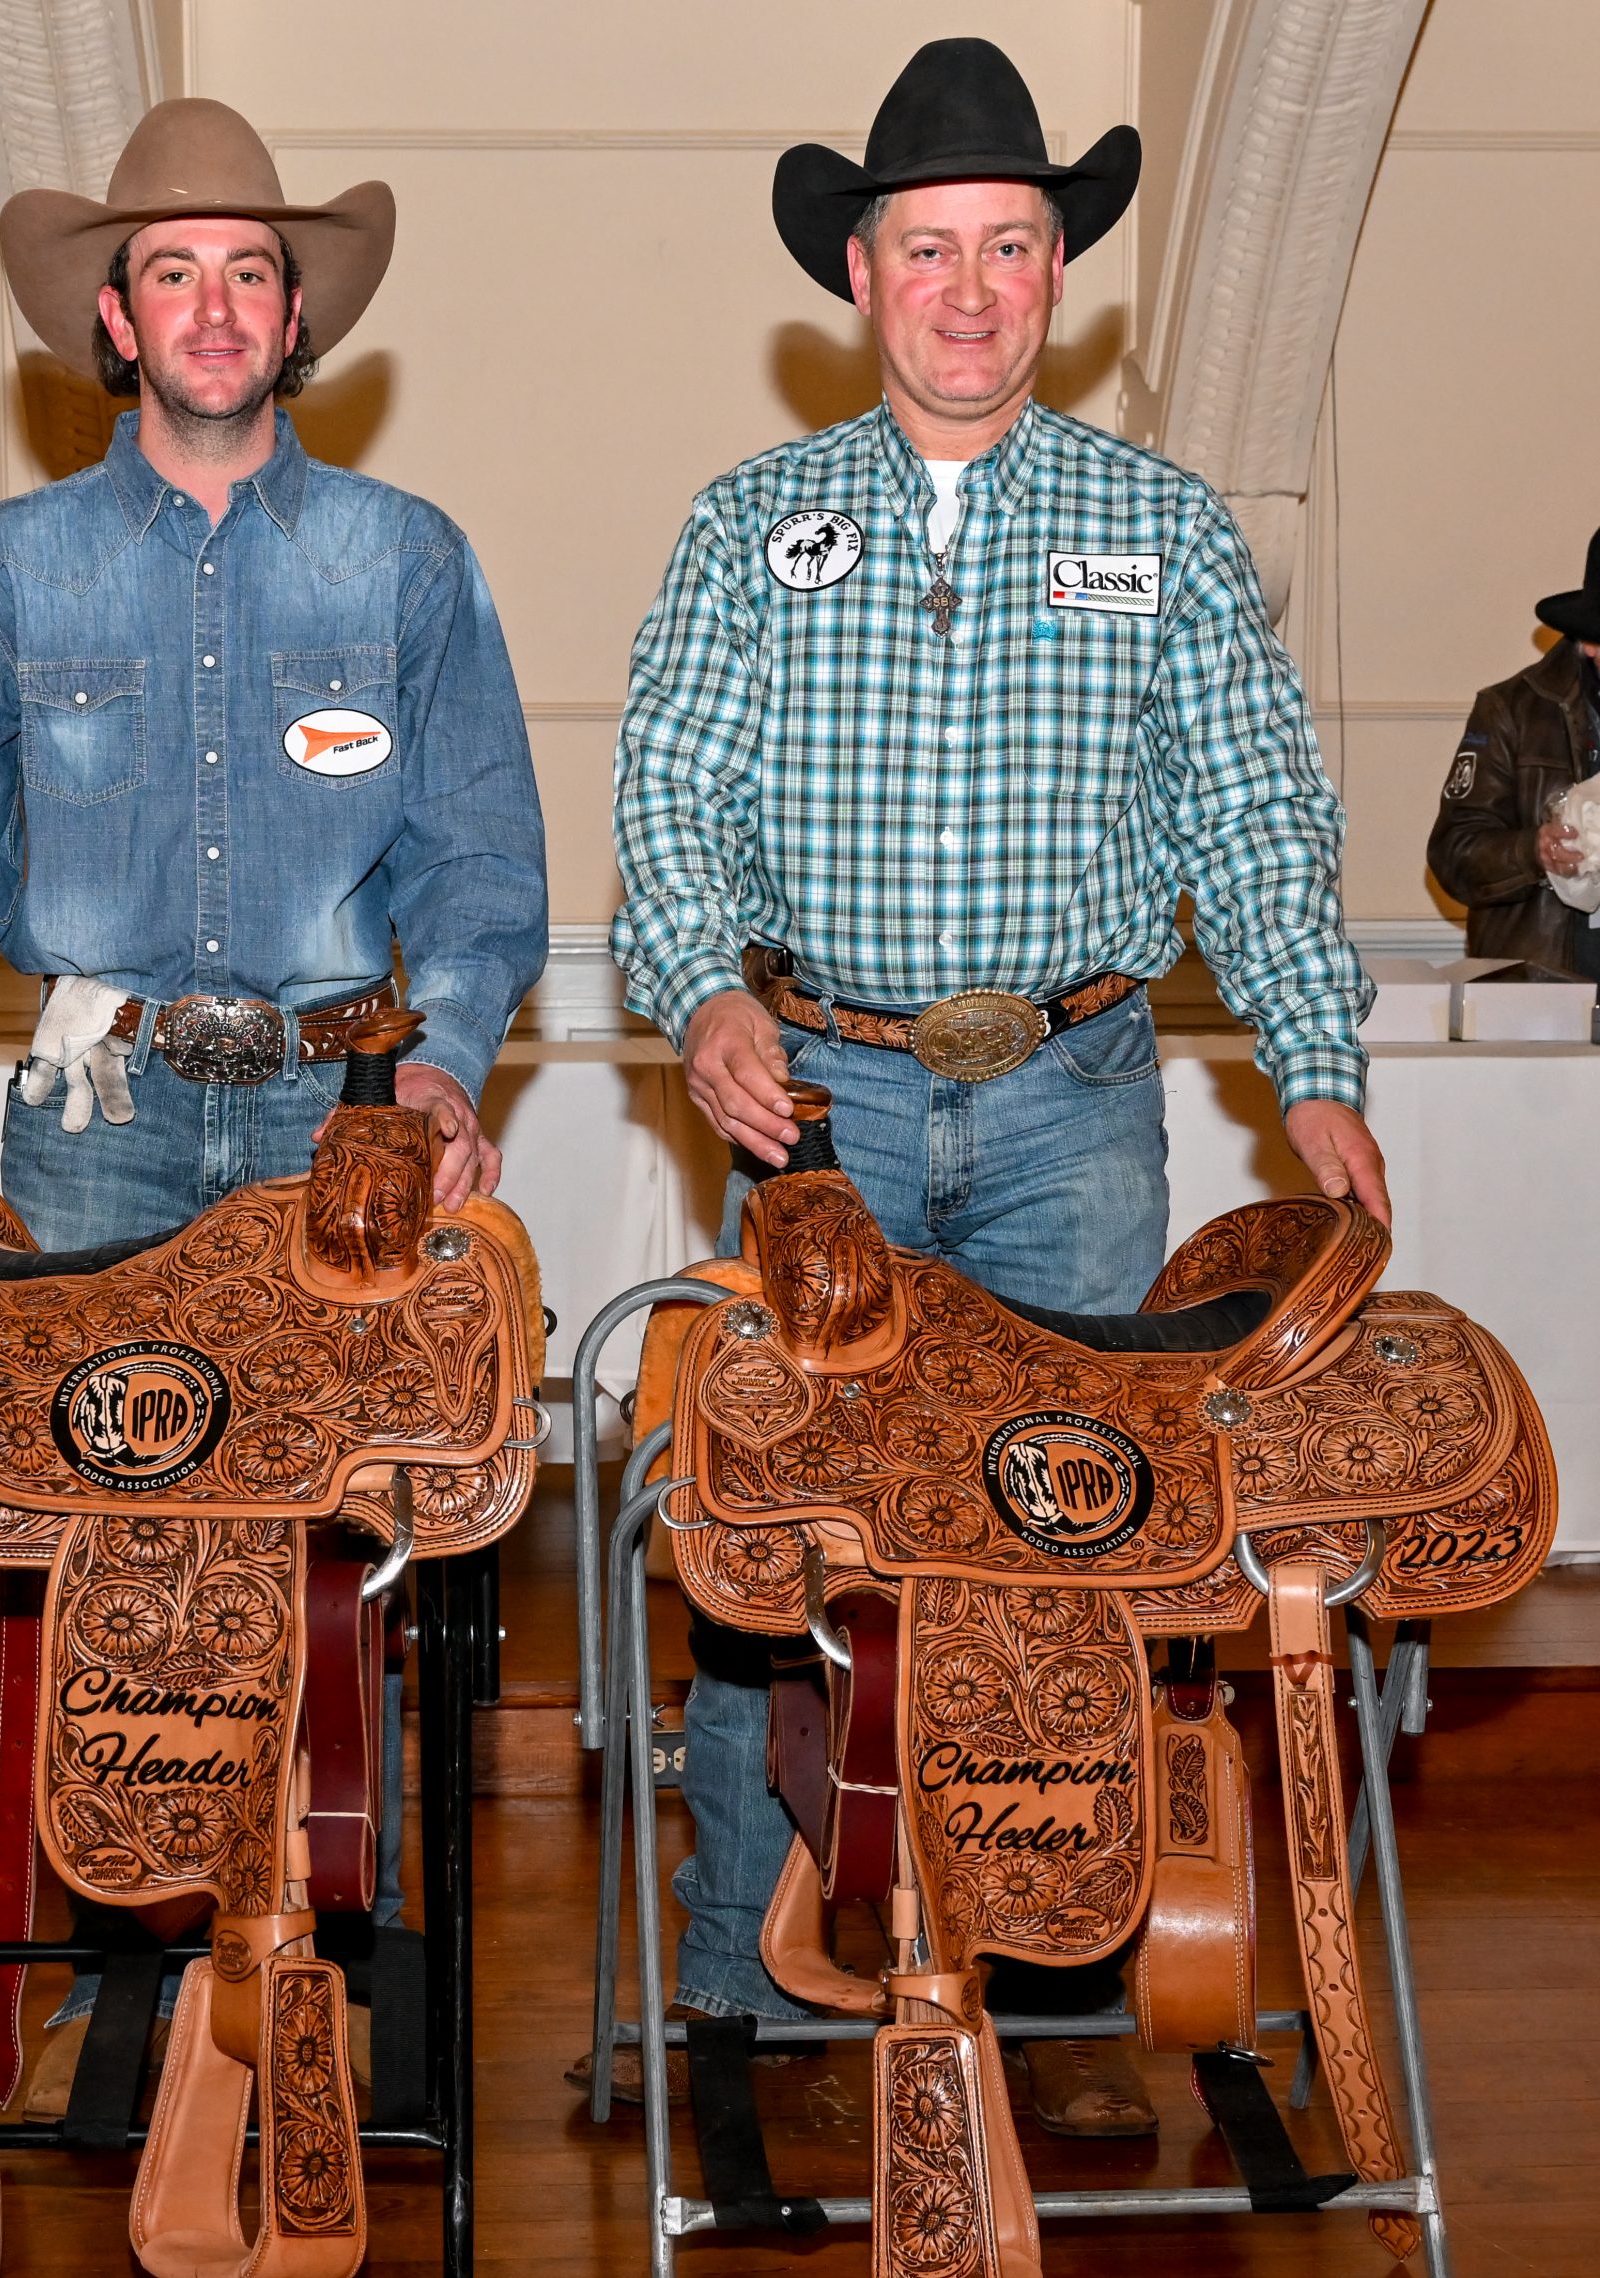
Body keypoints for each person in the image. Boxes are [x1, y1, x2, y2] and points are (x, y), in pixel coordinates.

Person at [608, 39, 1384, 2134]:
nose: (968, 287)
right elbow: (666, 801)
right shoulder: (752, 525)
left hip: (1074, 1098)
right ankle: (729, 1998)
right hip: (823, 1112)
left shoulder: (1164, 530)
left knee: (1071, 1539)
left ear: (1061, 277)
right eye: (928, 247)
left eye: (1010, 248)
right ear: (860, 273)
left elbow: (1254, 819)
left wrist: (1314, 1067)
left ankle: (1056, 1974)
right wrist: (697, 997)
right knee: (775, 1540)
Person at [0, 97, 548, 2105]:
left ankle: (330, 1942)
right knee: (112, 1530)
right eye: (173, 272)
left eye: (250, 267)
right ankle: (134, 1954)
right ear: (116, 321)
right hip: (98, 1107)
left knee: (350, 1538)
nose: (215, 304)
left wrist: (443, 1063)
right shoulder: (10, 571)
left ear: (296, 307)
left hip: (342, 1114)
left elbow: (481, 859)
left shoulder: (405, 560)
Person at [1427, 528, 1600, 975]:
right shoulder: (1512, 711)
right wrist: (1533, 853)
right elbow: (1454, 853)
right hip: (1546, 996)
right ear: (1590, 642)